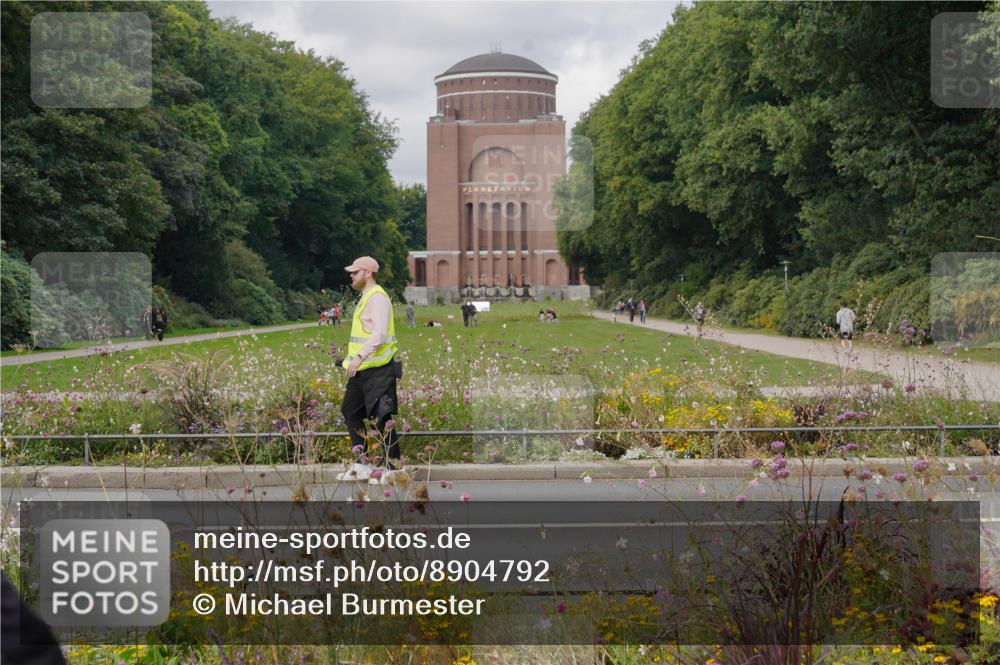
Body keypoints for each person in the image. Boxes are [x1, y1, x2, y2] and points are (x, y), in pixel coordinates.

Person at [337, 256, 403, 484]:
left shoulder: (377, 298)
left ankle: (394, 467)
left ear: (367, 273)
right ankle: (362, 464)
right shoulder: (366, 297)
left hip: (378, 368)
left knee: (381, 417)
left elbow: (379, 334)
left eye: (355, 272)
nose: (351, 276)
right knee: (350, 411)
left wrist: (359, 356)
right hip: (362, 368)